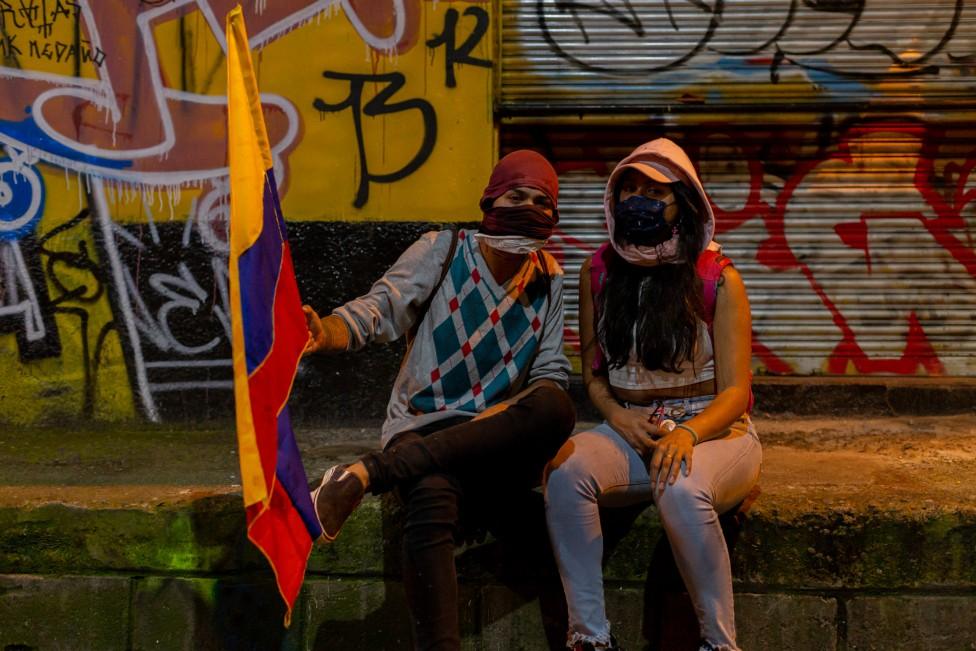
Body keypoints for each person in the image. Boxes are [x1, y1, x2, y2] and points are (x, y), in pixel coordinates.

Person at [302, 150, 576, 651]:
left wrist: (503, 412)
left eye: (542, 202)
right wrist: (327, 332)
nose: (529, 209)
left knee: (558, 408)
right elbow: (380, 308)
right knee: (430, 495)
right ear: (490, 200)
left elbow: (551, 374)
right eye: (517, 197)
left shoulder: (549, 276)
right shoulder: (444, 249)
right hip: (424, 425)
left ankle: (370, 473)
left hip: (492, 434)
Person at [543, 138, 762, 651]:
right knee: (563, 472)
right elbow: (594, 375)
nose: (637, 201)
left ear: (682, 201)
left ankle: (719, 644)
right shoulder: (597, 273)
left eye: (654, 191)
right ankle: (590, 638)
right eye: (628, 189)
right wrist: (616, 415)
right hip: (631, 428)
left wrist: (688, 433)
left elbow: (736, 393)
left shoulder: (718, 279)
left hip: (715, 433)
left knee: (681, 488)